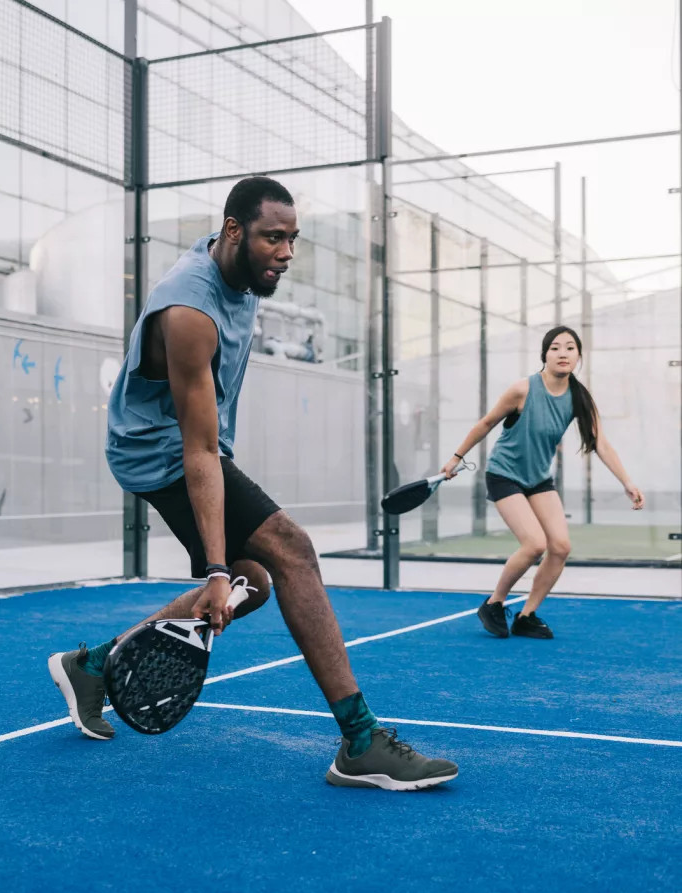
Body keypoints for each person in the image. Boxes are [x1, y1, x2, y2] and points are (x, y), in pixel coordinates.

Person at [49, 176, 458, 791]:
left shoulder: (239, 265)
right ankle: (361, 740)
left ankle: (95, 666)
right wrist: (214, 569)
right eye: (273, 238)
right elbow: (200, 449)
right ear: (235, 232)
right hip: (156, 451)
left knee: (257, 583)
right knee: (292, 550)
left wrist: (228, 576)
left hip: (186, 444)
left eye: (293, 239)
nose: (286, 253)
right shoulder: (189, 311)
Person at [441, 325, 644, 639]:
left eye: (570, 348)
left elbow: (601, 442)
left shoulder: (579, 397)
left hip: (537, 479)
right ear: (545, 354)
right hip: (504, 474)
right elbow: (486, 423)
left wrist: (626, 482)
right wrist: (455, 457)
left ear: (578, 356)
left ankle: (526, 615)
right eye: (555, 348)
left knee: (561, 547)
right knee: (534, 544)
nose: (563, 353)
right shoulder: (523, 389)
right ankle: (494, 603)